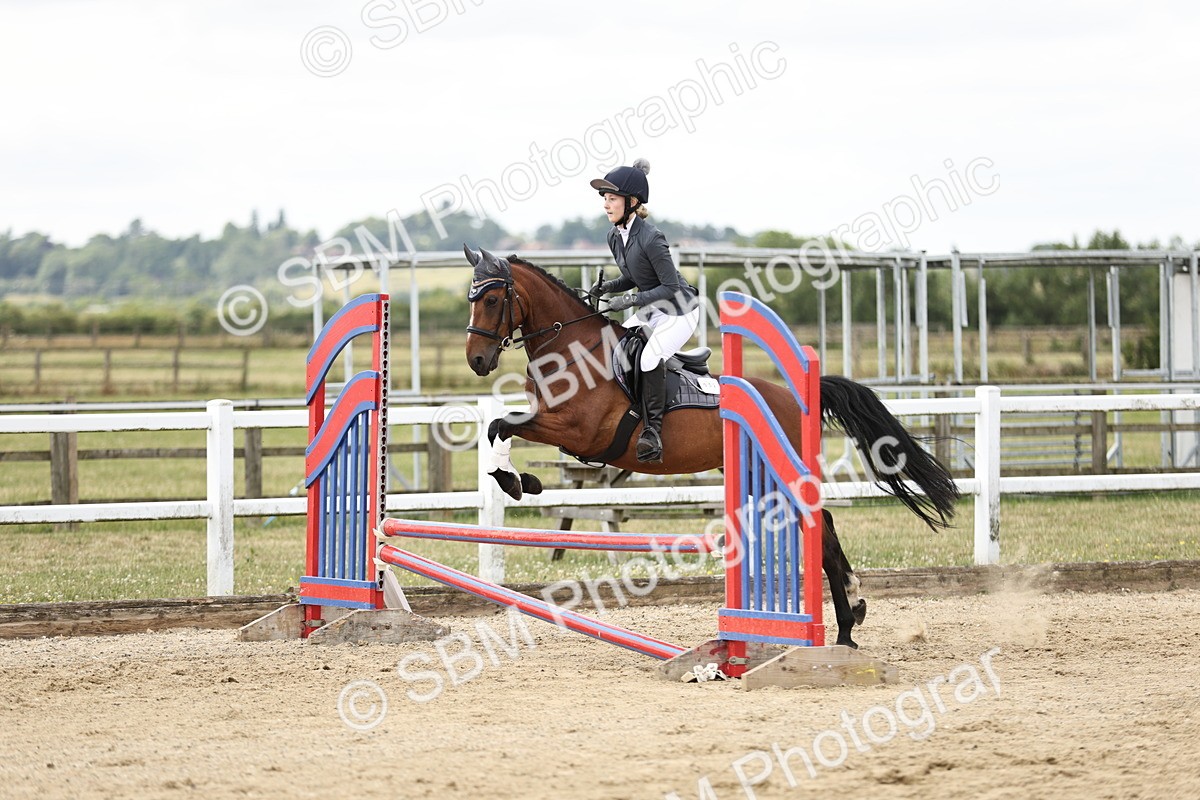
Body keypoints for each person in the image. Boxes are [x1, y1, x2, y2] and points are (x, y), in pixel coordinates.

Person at [588, 158, 700, 463]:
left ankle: (652, 432)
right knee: (620, 345)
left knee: (649, 358)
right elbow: (633, 277)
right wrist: (608, 288)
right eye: (605, 200)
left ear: (632, 201)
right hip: (654, 307)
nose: (606, 206)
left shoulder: (652, 238)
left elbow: (672, 287)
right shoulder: (615, 235)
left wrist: (630, 301)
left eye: (612, 199)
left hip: (680, 310)